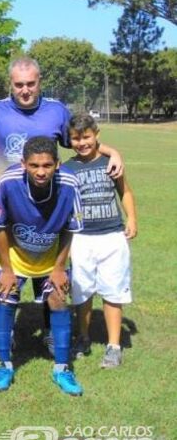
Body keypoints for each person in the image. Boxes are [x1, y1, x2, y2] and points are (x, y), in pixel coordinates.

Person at [0, 56, 124, 353]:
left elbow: (80, 141)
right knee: (9, 279)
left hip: (48, 208)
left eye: (31, 84)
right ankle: (6, 337)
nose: (25, 90)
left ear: (40, 81)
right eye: (19, 84)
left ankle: (48, 331)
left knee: (49, 277)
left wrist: (112, 151)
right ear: (11, 83)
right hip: (11, 209)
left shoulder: (56, 111)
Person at [0, 136, 84, 396]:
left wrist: (59, 267)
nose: (41, 172)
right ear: (23, 164)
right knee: (6, 298)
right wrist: (7, 270)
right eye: (34, 165)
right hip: (14, 256)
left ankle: (62, 368)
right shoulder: (7, 183)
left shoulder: (70, 184)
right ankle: (4, 364)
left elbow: (69, 229)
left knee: (58, 300)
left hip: (51, 258)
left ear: (58, 164)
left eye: (47, 165)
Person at [65, 113, 137, 368]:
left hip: (112, 236)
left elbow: (124, 191)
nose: (82, 143)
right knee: (81, 291)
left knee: (112, 291)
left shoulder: (110, 162)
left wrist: (132, 218)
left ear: (96, 135)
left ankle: (114, 345)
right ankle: (83, 338)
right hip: (81, 238)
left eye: (86, 137)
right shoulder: (68, 168)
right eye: (76, 138)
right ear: (70, 139)